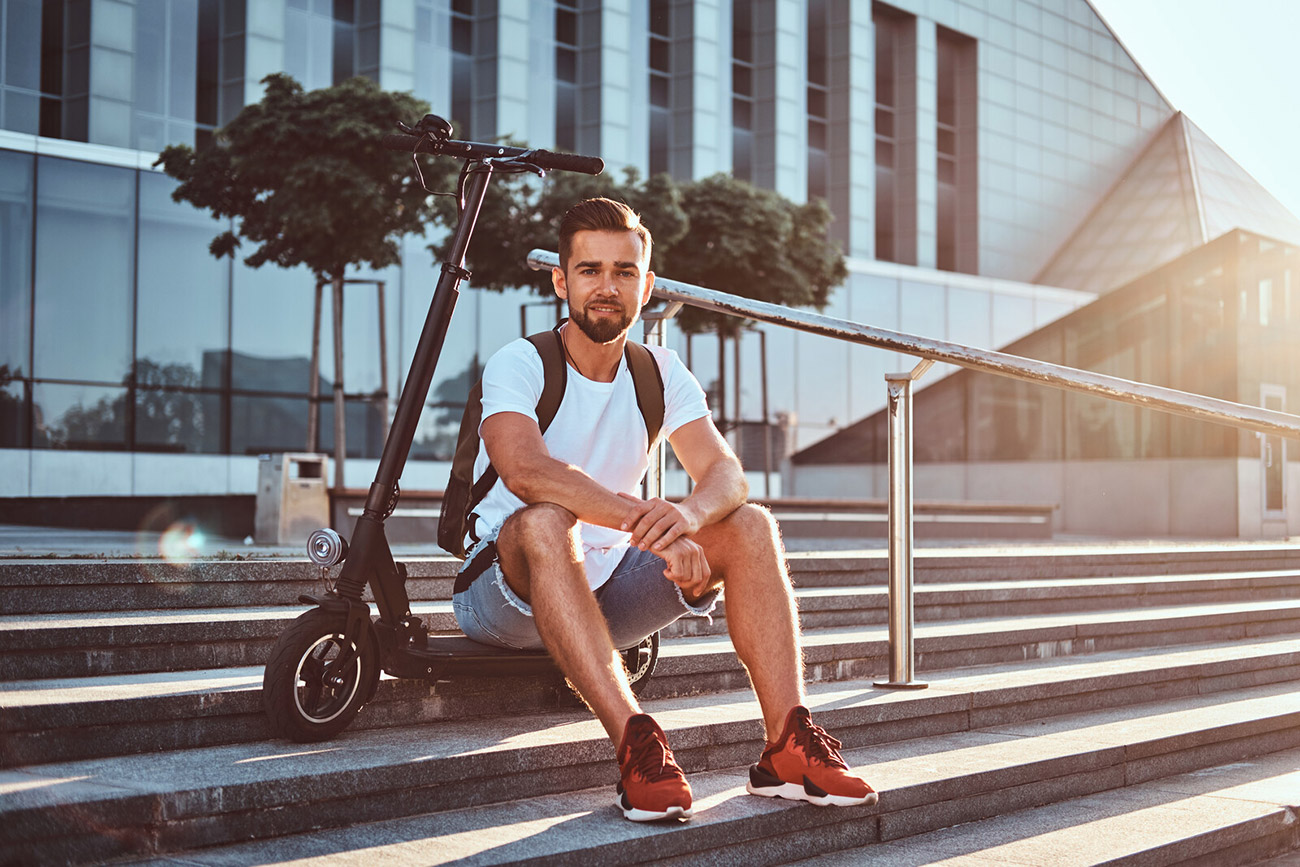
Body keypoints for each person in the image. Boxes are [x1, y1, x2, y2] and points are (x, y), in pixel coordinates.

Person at [451, 197, 877, 822]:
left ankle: (787, 746)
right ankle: (637, 745)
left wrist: (688, 518)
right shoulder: (522, 362)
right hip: (502, 594)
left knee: (752, 524)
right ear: (561, 280)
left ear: (647, 287)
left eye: (624, 272)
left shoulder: (659, 371)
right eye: (591, 270)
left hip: (606, 595)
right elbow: (526, 471)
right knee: (545, 518)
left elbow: (726, 472)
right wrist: (644, 523)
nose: (607, 287)